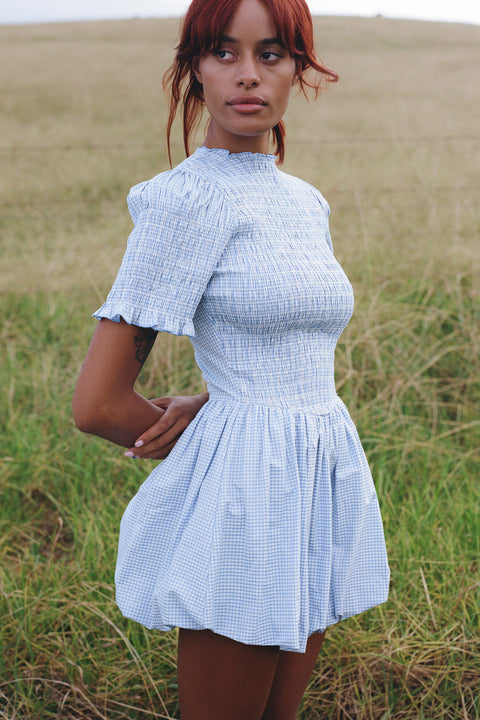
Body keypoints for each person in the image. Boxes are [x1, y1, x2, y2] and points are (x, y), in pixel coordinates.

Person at [73, 0, 390, 717]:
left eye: (271, 54)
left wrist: (220, 400)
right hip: (247, 500)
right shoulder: (185, 202)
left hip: (317, 480)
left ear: (299, 70)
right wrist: (223, 444)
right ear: (193, 70)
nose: (248, 75)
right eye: (224, 52)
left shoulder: (304, 202)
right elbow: (97, 404)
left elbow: (284, 352)